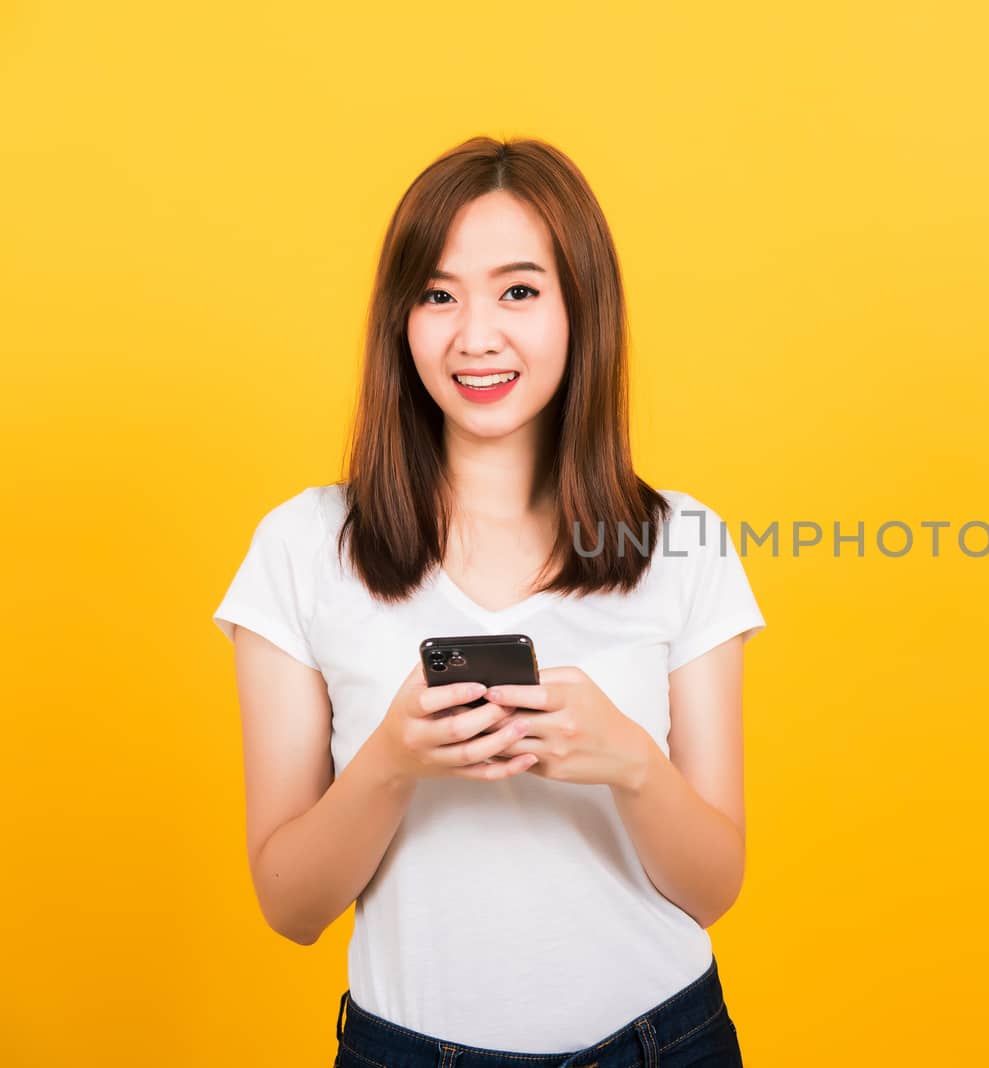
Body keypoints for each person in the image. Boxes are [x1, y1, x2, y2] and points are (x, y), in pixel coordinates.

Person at [212, 137, 761, 1067]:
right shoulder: (303, 546)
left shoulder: (683, 540)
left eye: (518, 290)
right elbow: (290, 908)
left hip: (666, 1043)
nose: (476, 335)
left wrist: (628, 760)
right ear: (400, 321)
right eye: (437, 294)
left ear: (581, 310)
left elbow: (715, 887)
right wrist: (391, 760)